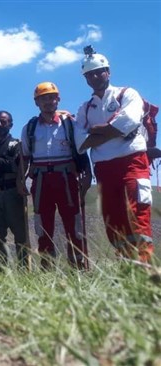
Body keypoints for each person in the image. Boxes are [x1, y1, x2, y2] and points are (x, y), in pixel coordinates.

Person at [74, 46, 154, 263]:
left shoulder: (127, 94)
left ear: (108, 72)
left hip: (132, 163)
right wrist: (114, 131)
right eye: (89, 74)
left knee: (136, 214)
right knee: (114, 219)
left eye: (98, 71)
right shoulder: (85, 108)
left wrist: (96, 131)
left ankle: (144, 270)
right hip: (104, 170)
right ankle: (126, 267)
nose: (94, 77)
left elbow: (128, 121)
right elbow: (80, 142)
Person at [21, 82, 92, 270]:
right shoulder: (29, 128)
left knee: (73, 224)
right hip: (41, 181)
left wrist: (88, 174)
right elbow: (25, 157)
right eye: (43, 98)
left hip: (66, 179)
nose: (48, 102)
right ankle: (47, 268)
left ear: (58, 99)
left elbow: (81, 150)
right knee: (43, 226)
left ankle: (78, 267)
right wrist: (21, 181)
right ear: (36, 102)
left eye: (51, 97)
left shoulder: (70, 123)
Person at [0, 110, 30, 269]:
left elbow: (17, 167)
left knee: (21, 235)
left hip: (12, 193)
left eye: (3, 121)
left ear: (10, 124)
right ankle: (2, 271)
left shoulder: (16, 145)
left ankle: (24, 271)